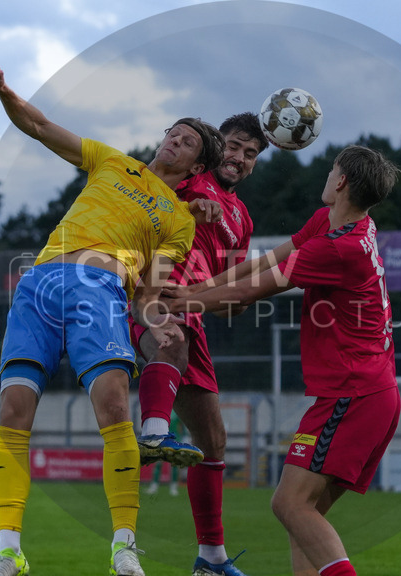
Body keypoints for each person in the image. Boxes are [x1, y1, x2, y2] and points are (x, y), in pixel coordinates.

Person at [0, 64, 224, 576]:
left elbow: (151, 290)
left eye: (184, 143)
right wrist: (5, 91)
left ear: (195, 166)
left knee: (113, 408)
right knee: (12, 412)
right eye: (172, 134)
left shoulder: (179, 220)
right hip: (39, 283)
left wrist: (156, 319)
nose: (172, 143)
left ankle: (123, 548)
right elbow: (41, 127)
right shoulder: (113, 162)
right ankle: (7, 552)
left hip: (101, 290)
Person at [166, 145, 401, 576]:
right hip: (368, 392)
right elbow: (264, 262)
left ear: (342, 181)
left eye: (332, 169)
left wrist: (183, 302)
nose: (327, 175)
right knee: (303, 518)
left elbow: (252, 291)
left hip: (354, 394)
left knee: (289, 504)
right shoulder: (338, 224)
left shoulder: (337, 247)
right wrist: (195, 291)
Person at [130, 112, 268, 576]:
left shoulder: (243, 218)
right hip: (156, 293)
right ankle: (151, 433)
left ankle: (211, 558)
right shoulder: (190, 176)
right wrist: (187, 206)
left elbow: (232, 294)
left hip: (196, 315)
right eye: (233, 146)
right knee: (170, 341)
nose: (239, 158)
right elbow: (145, 194)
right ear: (215, 149)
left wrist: (236, 300)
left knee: (213, 440)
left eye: (249, 154)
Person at [145, 412, 185, 497]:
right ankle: (154, 486)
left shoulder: (176, 412)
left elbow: (182, 426)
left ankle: (173, 487)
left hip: (174, 440)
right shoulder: (162, 410)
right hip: (162, 440)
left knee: (174, 464)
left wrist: (183, 437)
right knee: (158, 463)